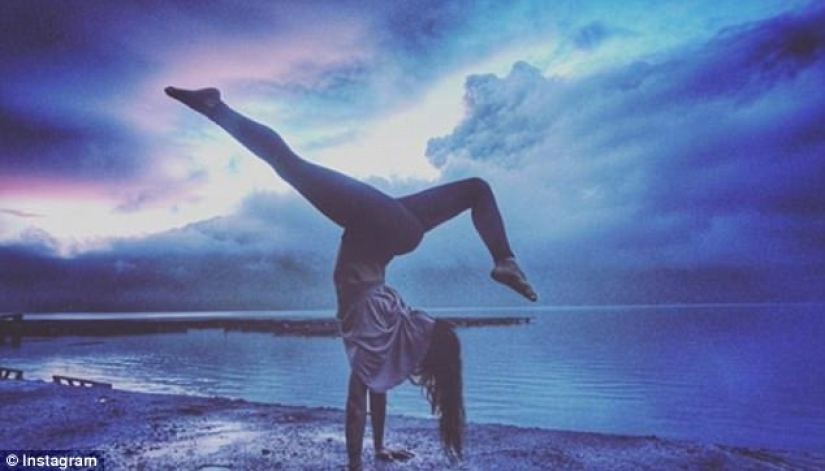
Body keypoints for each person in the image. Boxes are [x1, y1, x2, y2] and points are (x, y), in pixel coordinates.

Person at [165, 86, 537, 470]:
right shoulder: (377, 329)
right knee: (288, 164)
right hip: (383, 231)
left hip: (390, 234)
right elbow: (356, 403)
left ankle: (505, 259)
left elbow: (373, 386)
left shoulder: (383, 342)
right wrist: (355, 466)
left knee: (476, 190)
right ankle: (215, 107)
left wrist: (375, 452)